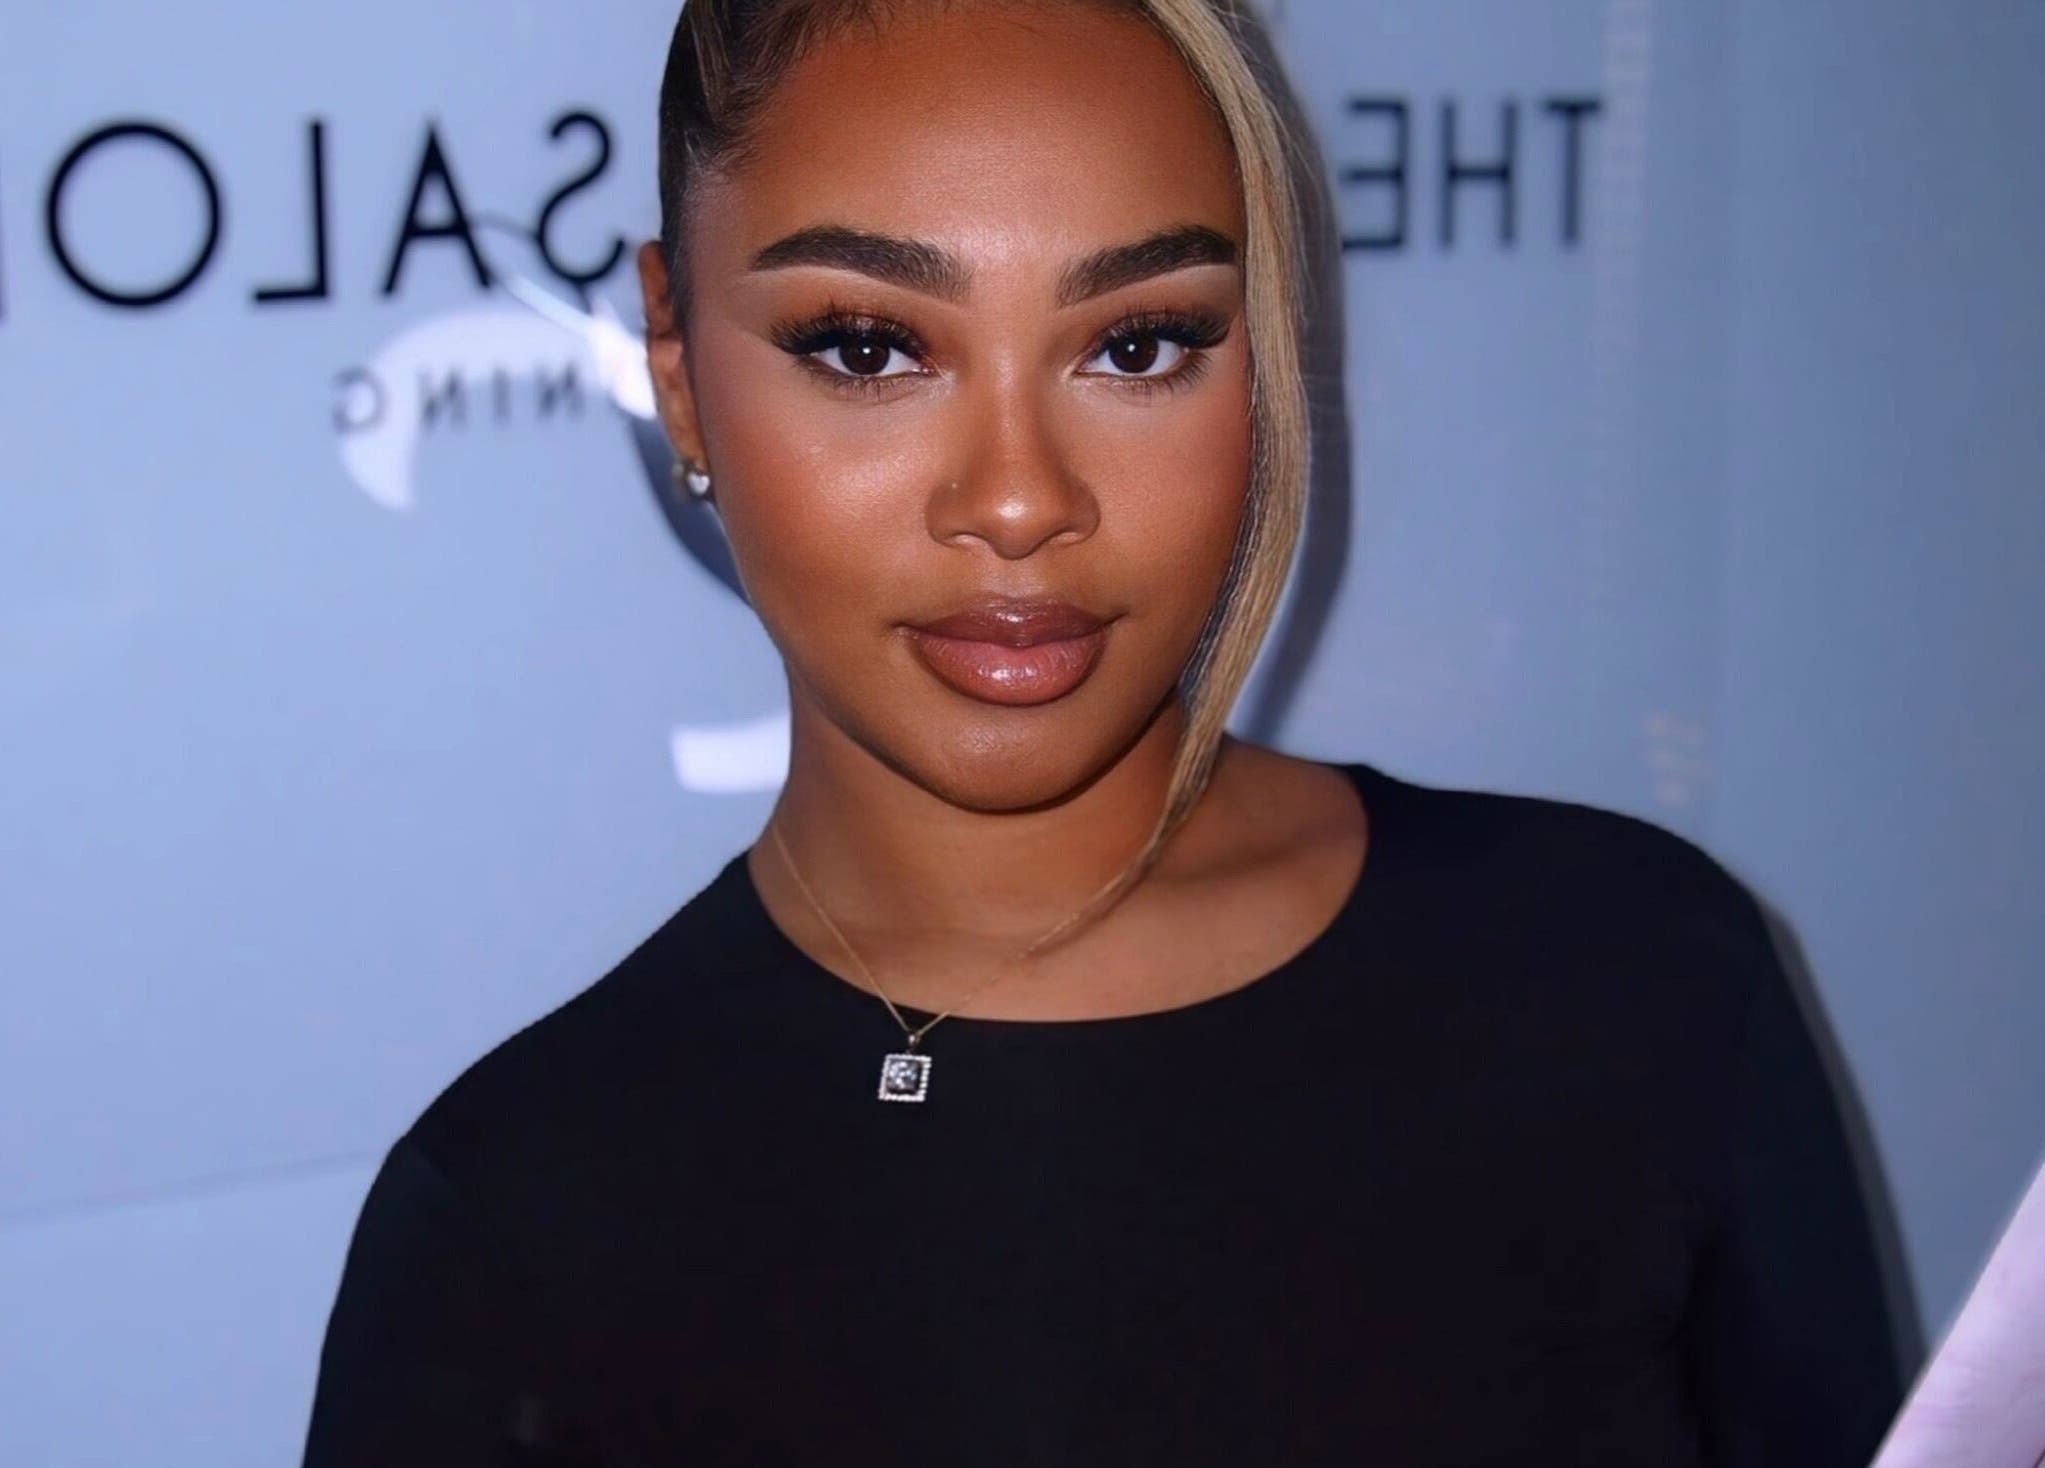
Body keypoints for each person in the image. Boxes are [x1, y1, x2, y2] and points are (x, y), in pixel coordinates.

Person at [300, 0, 1906, 1462]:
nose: (1018, 499)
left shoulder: (1641, 975)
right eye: (867, 347)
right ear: (679, 368)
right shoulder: (517, 1226)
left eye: (1138, 345)